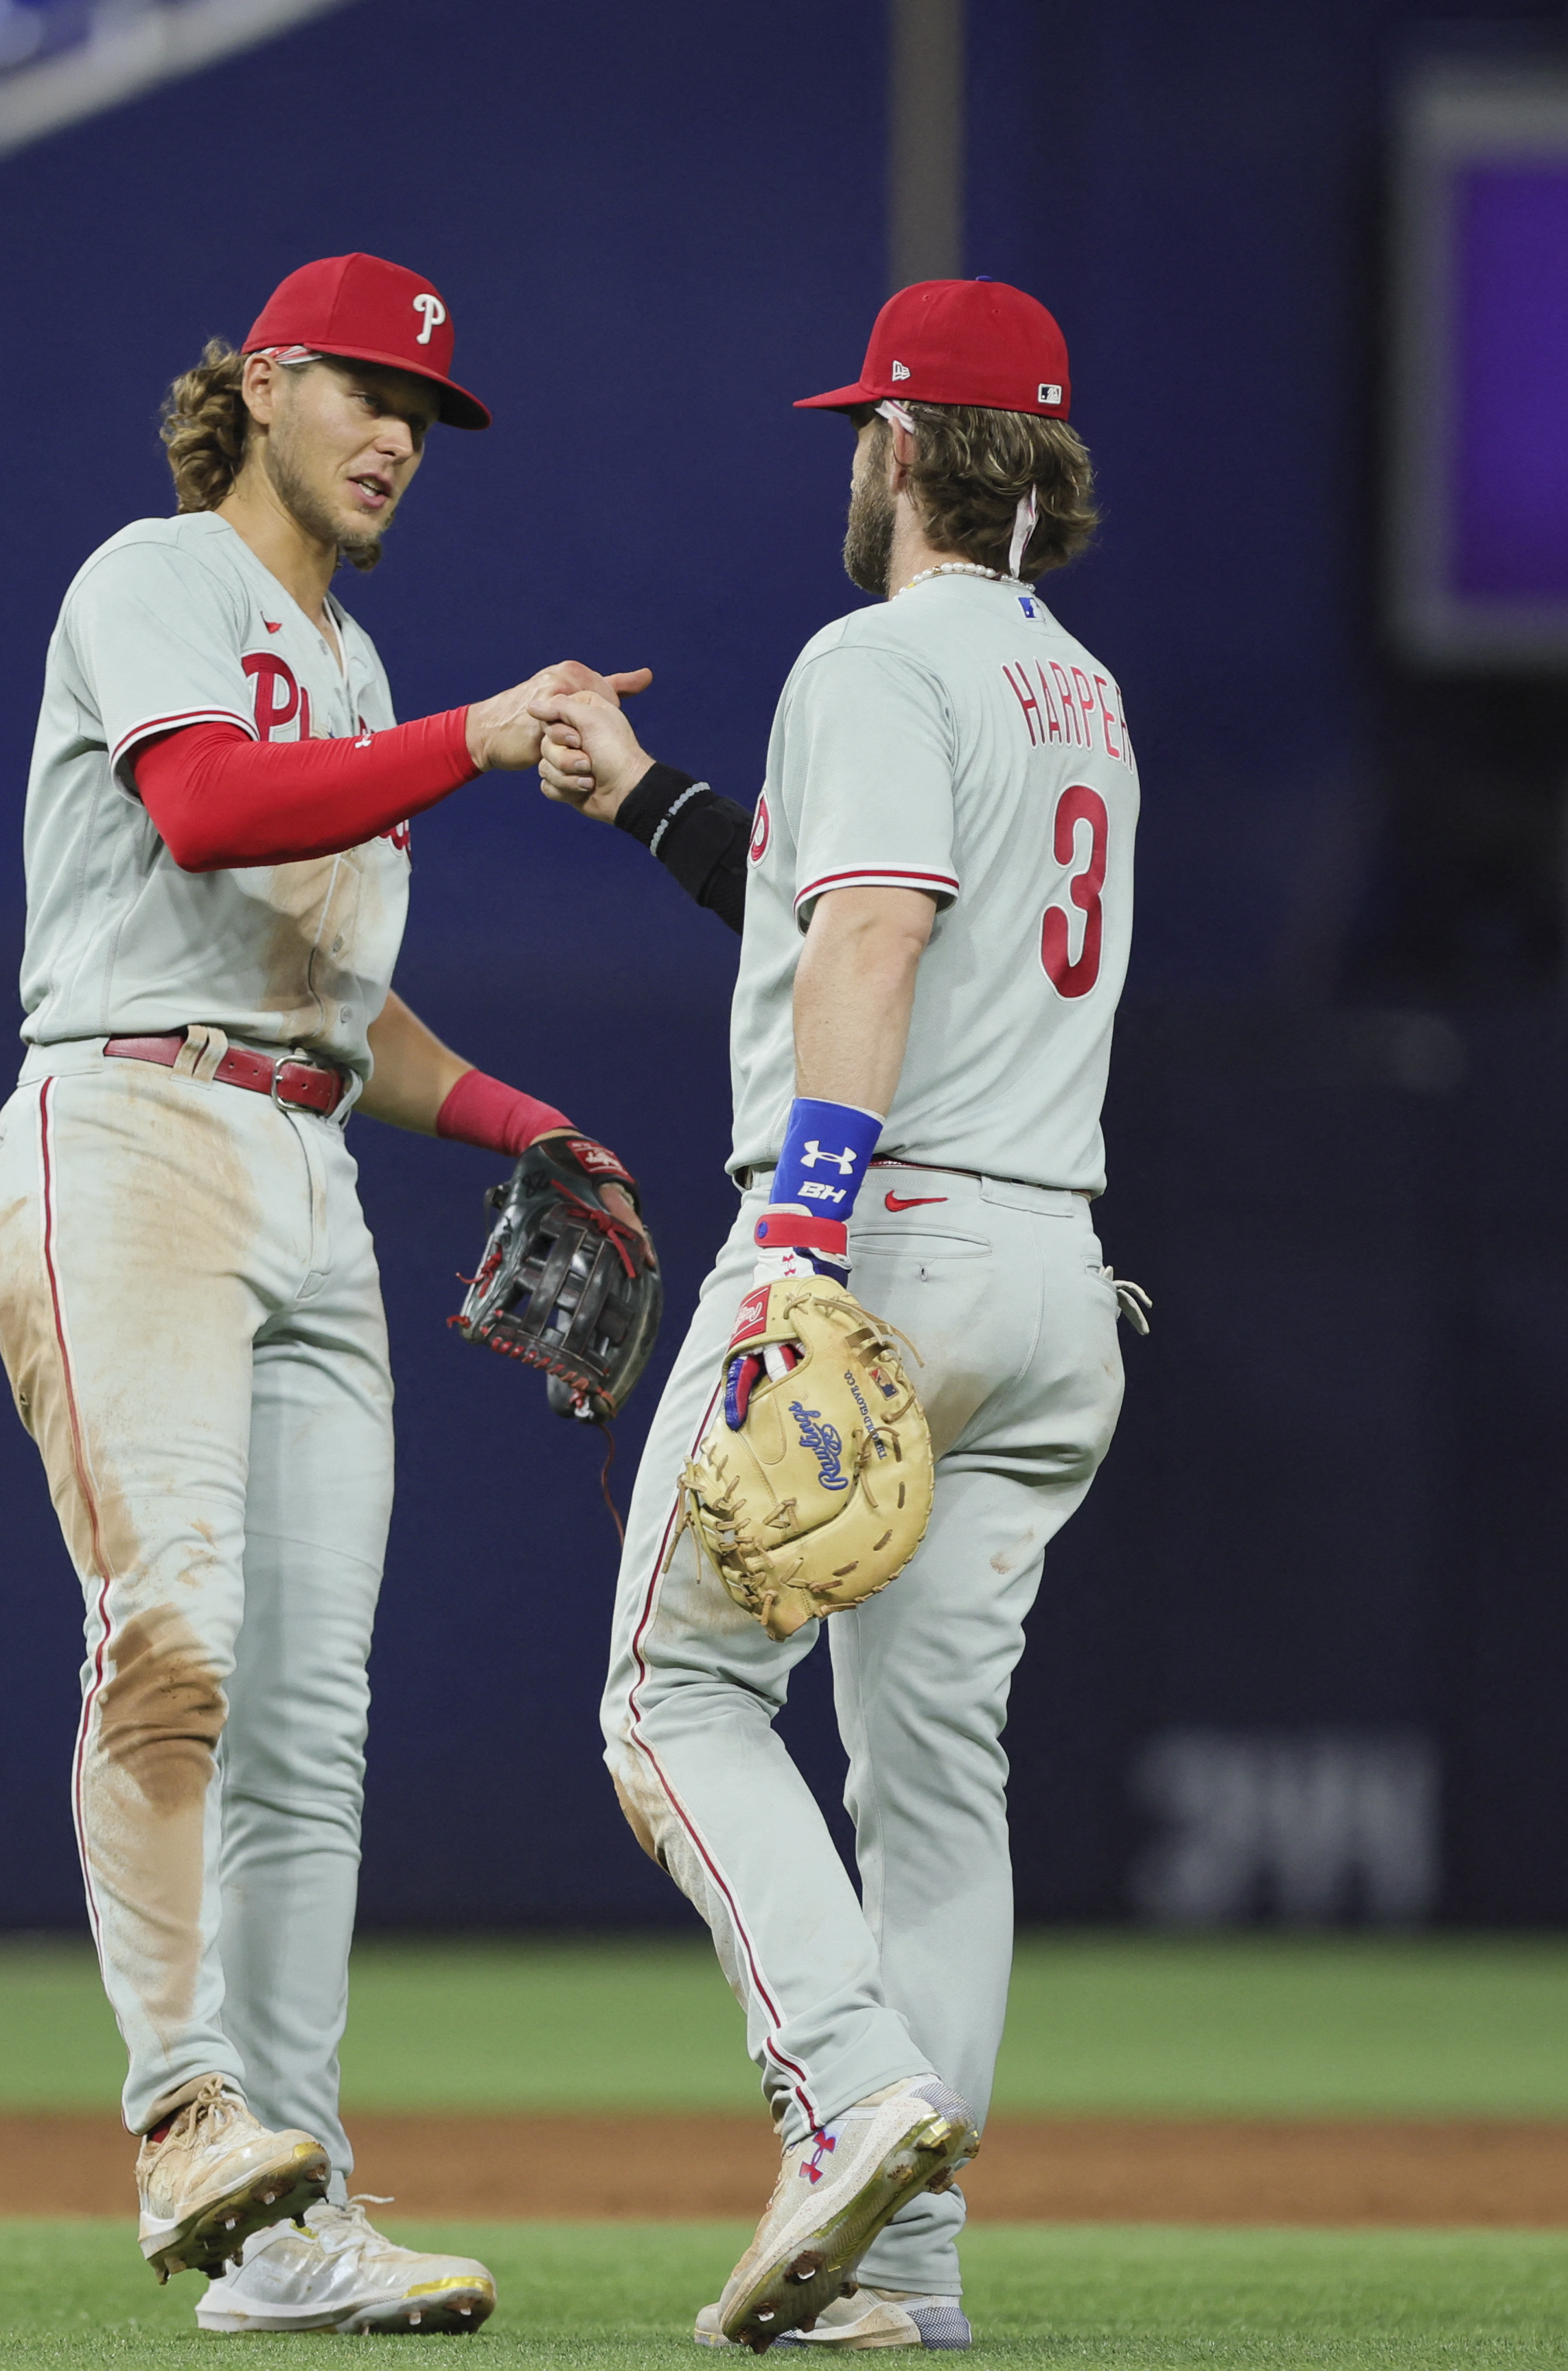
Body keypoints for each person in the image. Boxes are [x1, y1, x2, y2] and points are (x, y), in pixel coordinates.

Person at [0, 250, 651, 2338]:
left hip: (302, 1159)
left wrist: (519, 1115)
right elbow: (200, 810)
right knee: (167, 1631)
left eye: (422, 415)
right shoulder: (154, 579)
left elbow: (330, 1007)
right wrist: (478, 734)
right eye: (362, 388)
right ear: (263, 382)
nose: (392, 435)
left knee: (310, 1733)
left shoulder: (356, 677)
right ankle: (184, 2111)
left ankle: (292, 2228)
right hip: (133, 1129)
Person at [527, 277, 1138, 2353]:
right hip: (1057, 1281)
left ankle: (842, 2092)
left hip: (881, 1239)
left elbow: (867, 936)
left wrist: (797, 1242)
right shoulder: (1078, 690)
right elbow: (846, 897)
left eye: (853, 434)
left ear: (892, 452)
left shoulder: (871, 652)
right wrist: (641, 797)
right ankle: (905, 2268)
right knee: (931, 1783)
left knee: (667, 1699)